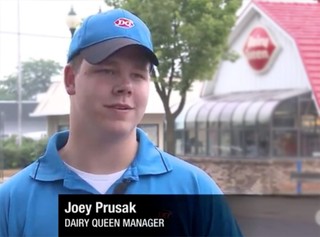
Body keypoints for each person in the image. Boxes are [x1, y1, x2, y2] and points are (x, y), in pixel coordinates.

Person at [0, 8, 243, 237]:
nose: (125, 86)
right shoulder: (13, 202)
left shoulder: (195, 192)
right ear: (71, 79)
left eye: (138, 75)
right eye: (108, 70)